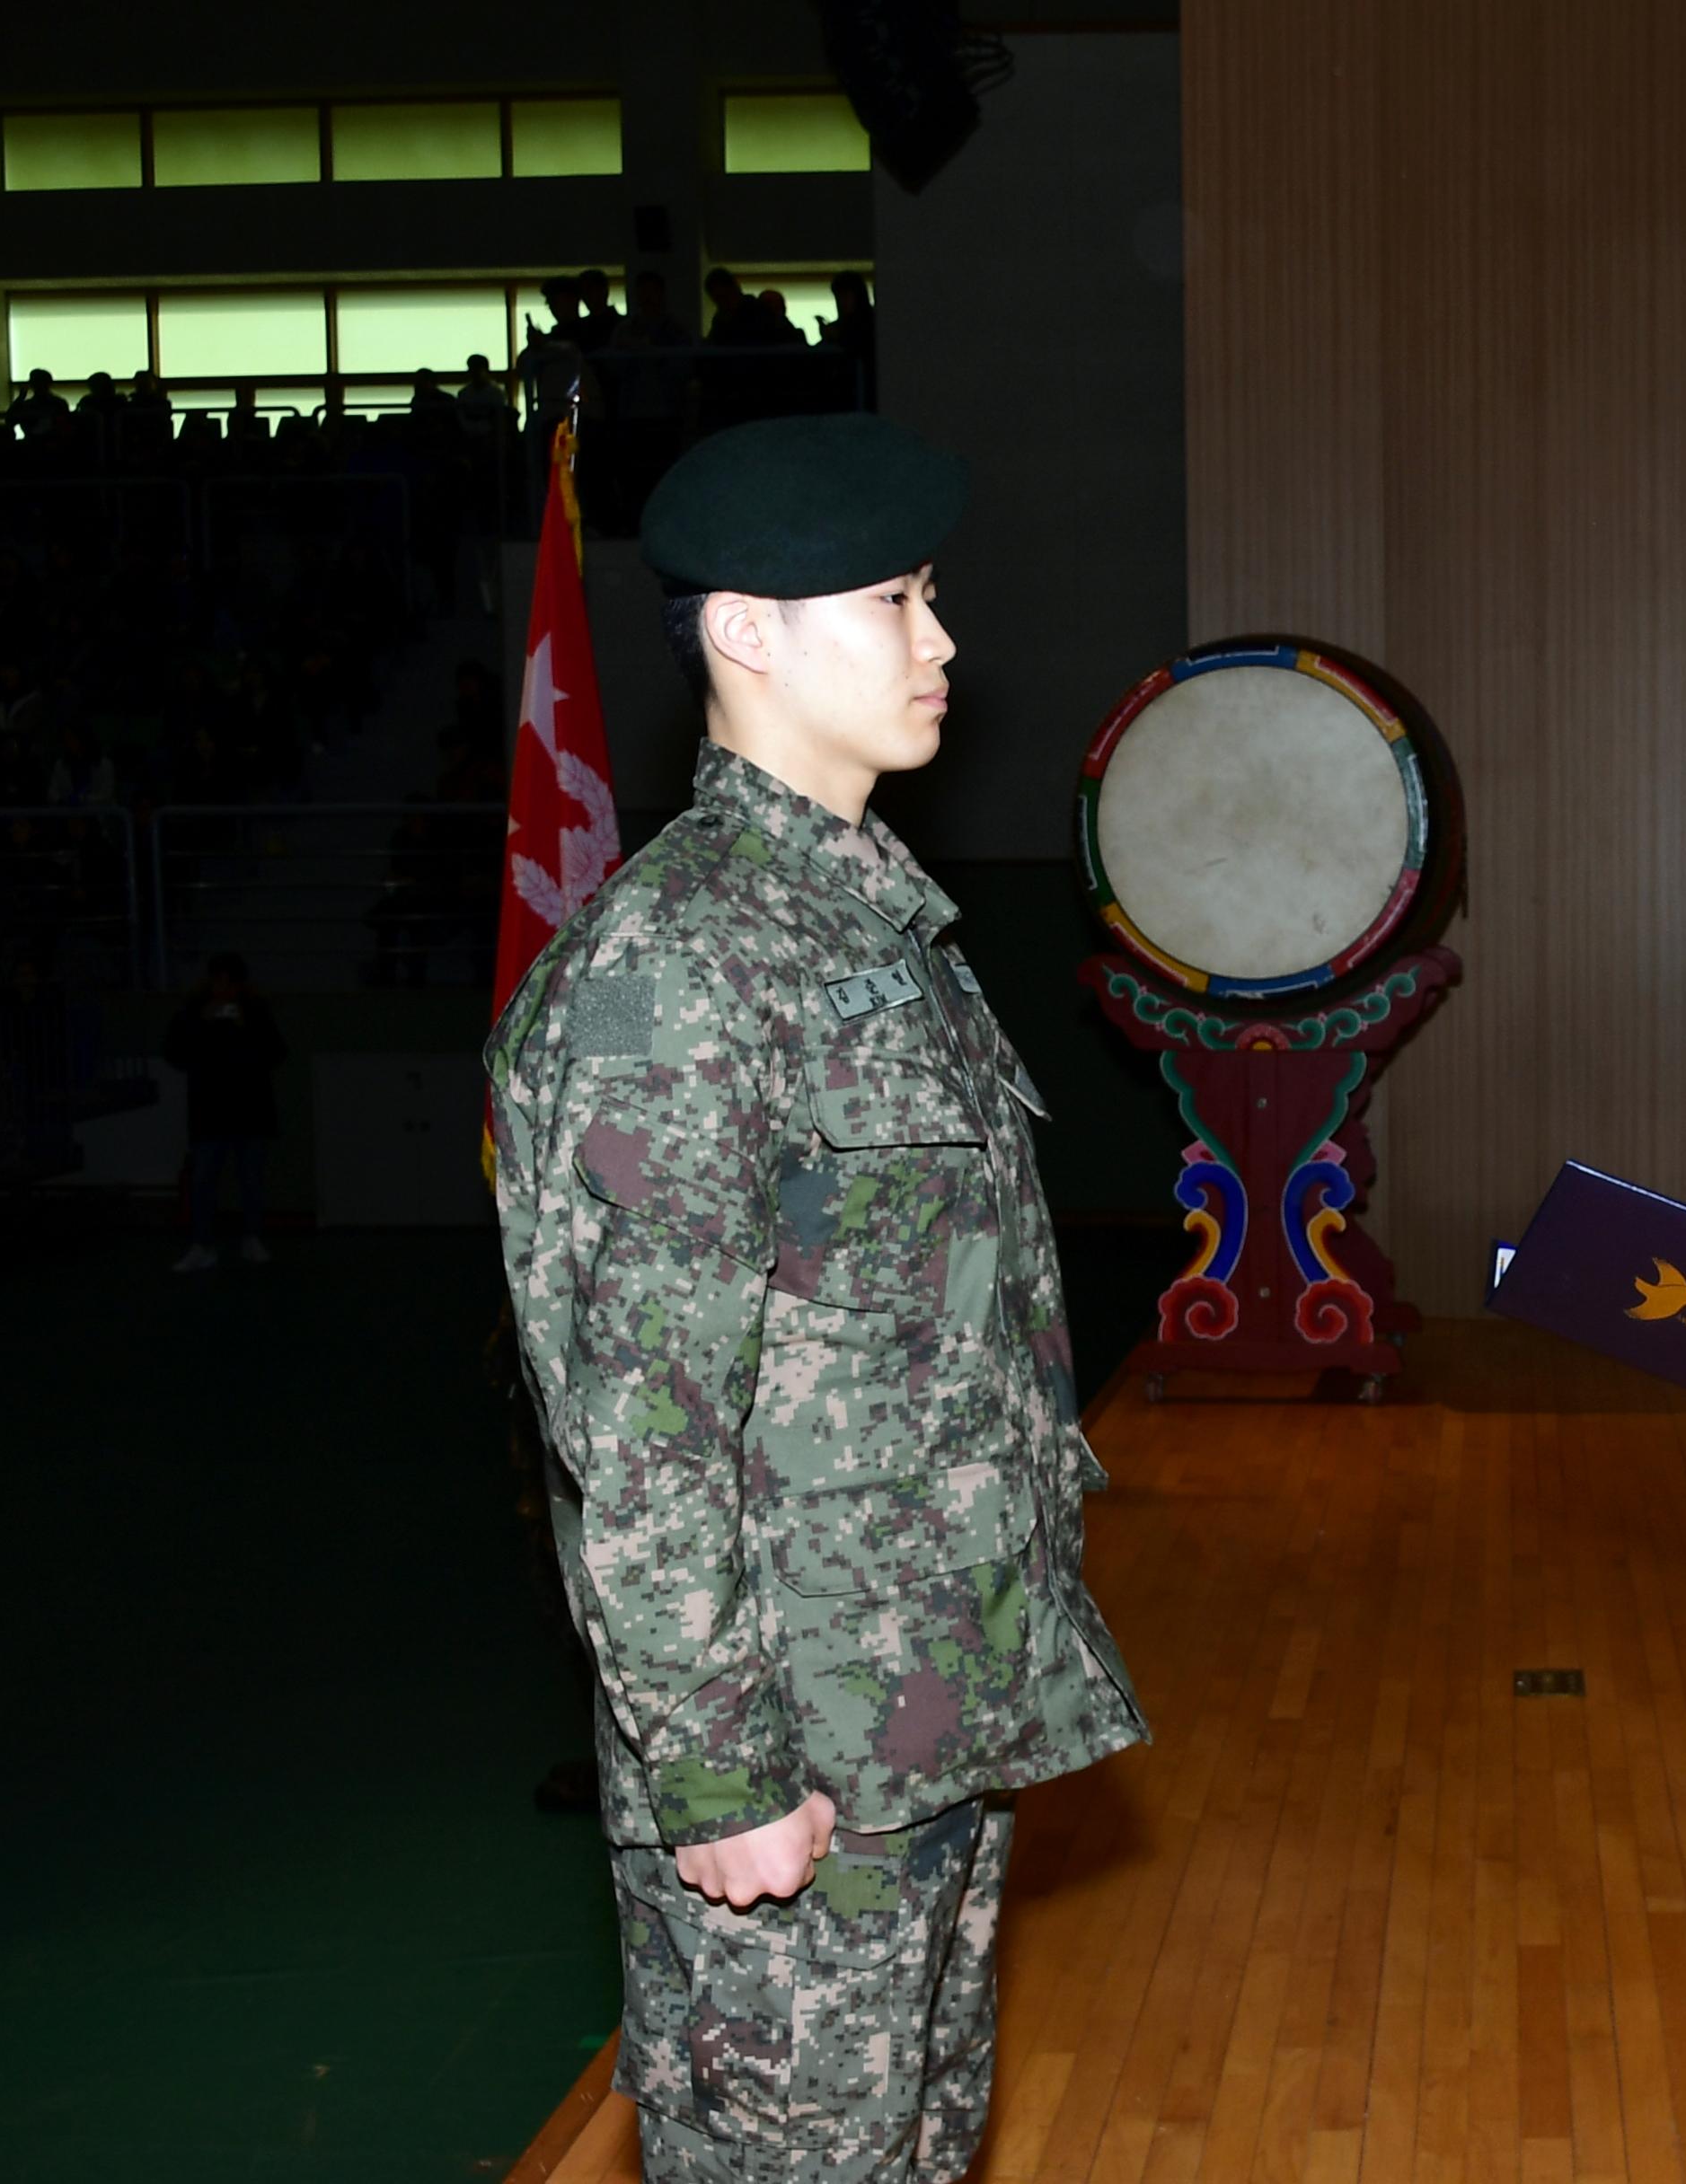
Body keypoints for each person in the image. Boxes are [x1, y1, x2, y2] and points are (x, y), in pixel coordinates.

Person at [481, 412, 1144, 2183]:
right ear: (746, 631)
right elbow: (635, 1432)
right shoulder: (669, 977)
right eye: (896, 598)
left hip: (927, 1719)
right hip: (799, 1771)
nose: (943, 643)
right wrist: (721, 1775)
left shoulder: (871, 933)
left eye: (935, 596)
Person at [164, 953, 287, 1273]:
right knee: (204, 1180)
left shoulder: (256, 1013)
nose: (223, 989)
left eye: (229, 982)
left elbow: (276, 1052)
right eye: (218, 981)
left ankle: (252, 1238)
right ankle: (202, 1244)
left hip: (249, 1111)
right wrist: (199, 1022)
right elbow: (174, 1052)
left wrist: (246, 1027)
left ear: (239, 985)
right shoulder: (193, 1012)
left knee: (251, 1180)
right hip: (212, 1112)